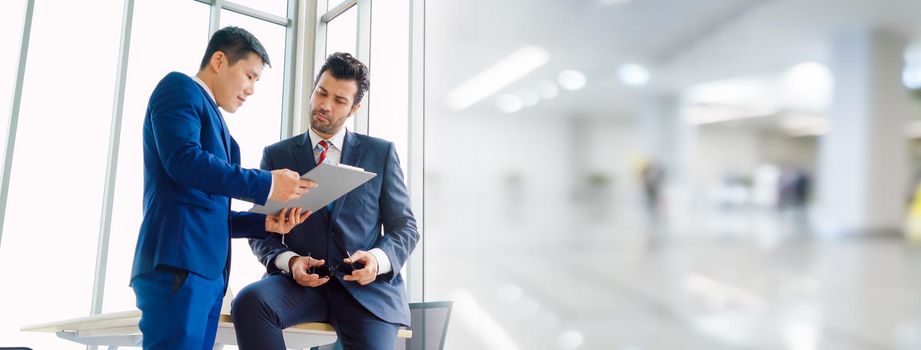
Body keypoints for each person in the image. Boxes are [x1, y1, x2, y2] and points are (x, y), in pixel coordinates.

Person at [130, 26, 316, 350]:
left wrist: (264, 223)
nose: (252, 89)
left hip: (208, 275)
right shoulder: (179, 89)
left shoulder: (223, 132)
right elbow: (183, 160)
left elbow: (210, 212)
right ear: (219, 60)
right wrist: (268, 182)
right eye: (249, 75)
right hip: (180, 265)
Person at [231, 52, 420, 350]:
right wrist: (290, 262)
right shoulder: (277, 155)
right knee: (250, 302)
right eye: (321, 92)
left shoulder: (380, 153)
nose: (325, 106)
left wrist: (376, 260)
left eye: (340, 101)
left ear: (355, 107)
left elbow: (405, 228)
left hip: (365, 290)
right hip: (301, 285)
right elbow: (263, 231)